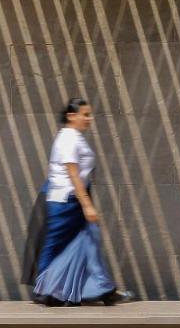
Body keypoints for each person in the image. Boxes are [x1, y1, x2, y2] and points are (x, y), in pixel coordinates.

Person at [21, 98, 124, 306]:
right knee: (58, 243)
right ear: (71, 116)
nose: (90, 118)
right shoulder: (68, 138)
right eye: (85, 114)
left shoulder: (74, 137)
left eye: (89, 114)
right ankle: (44, 289)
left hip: (70, 198)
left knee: (87, 240)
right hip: (65, 200)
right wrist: (87, 204)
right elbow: (73, 173)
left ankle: (102, 289)